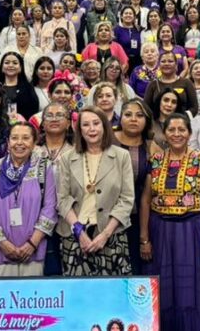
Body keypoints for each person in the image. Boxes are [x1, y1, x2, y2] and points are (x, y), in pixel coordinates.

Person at [139, 113, 200, 331]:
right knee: (164, 289)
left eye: (181, 130)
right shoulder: (155, 161)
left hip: (194, 232)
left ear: (189, 133)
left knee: (192, 290)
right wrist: (144, 239)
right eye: (171, 130)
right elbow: (146, 200)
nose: (176, 134)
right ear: (165, 133)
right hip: (161, 232)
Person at [56, 107, 135, 276]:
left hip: (111, 235)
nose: (91, 129)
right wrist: (79, 232)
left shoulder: (122, 156)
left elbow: (127, 199)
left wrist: (105, 234)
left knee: (112, 291)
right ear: (79, 129)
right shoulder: (67, 158)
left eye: (96, 123)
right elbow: (62, 199)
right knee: (78, 291)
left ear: (104, 126)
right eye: (85, 125)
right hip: (75, 236)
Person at [0, 121, 57, 277]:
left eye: (26, 138)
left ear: (34, 143)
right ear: (8, 142)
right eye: (14, 138)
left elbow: (50, 207)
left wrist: (32, 243)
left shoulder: (44, 168)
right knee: (1, 292)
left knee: (33, 292)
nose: (19, 143)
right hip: (0, 251)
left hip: (33, 250)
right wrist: (3, 243)